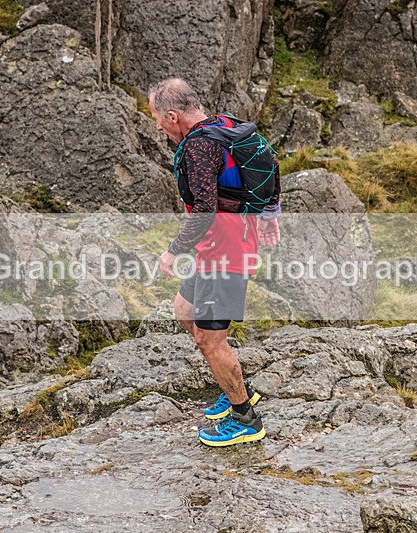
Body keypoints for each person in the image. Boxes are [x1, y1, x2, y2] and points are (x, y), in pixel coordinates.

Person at [148, 78, 281, 447]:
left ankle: (245, 419)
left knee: (210, 339)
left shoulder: (198, 146)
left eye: (158, 118)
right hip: (223, 241)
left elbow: (204, 210)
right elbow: (271, 162)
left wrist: (174, 250)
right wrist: (270, 212)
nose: (157, 126)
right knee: (184, 309)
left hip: (225, 248)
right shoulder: (225, 125)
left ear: (173, 116)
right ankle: (238, 386)